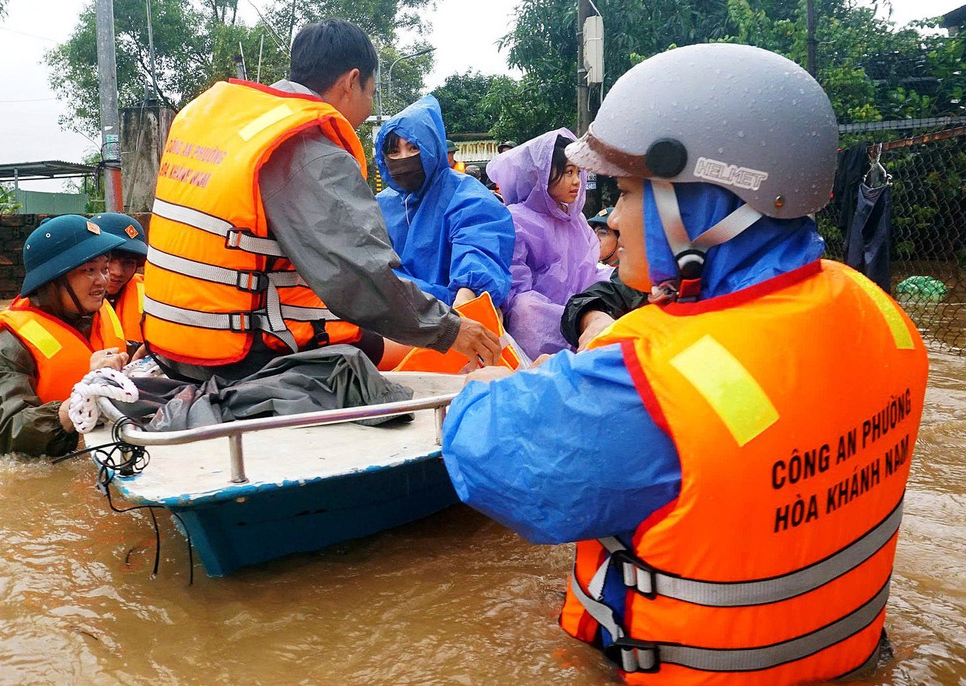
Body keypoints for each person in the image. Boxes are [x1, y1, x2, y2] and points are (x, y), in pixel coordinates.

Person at [441, 44, 929, 684]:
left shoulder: (650, 383)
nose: (611, 216)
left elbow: (492, 463)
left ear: (698, 207)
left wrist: (479, 392)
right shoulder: (884, 316)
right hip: (851, 656)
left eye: (626, 192)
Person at [140, 18, 500, 382]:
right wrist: (450, 330)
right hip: (242, 355)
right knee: (386, 369)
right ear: (350, 82)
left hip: (172, 341)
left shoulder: (221, 122)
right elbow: (362, 276)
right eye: (371, 93)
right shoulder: (309, 148)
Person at [0, 215, 128, 457]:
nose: (103, 280)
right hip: (42, 458)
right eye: (89, 270)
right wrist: (75, 406)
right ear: (53, 279)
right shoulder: (6, 344)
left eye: (104, 268)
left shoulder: (94, 312)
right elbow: (6, 429)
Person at [376, 95, 515, 309]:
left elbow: (479, 247)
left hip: (454, 315)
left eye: (414, 148)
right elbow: (370, 265)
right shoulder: (380, 205)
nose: (404, 158)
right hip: (394, 318)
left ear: (432, 147)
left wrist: (467, 299)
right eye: (394, 151)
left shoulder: (467, 195)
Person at [486, 128, 611, 358]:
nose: (576, 182)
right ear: (540, 176)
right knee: (526, 310)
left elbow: (590, 270)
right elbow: (515, 289)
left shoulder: (576, 219)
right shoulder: (517, 219)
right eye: (567, 172)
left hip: (580, 309)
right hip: (541, 317)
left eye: (578, 172)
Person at [91, 211, 147, 353]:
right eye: (109, 260)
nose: (118, 272)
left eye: (129, 263)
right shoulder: (67, 305)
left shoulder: (152, 298)